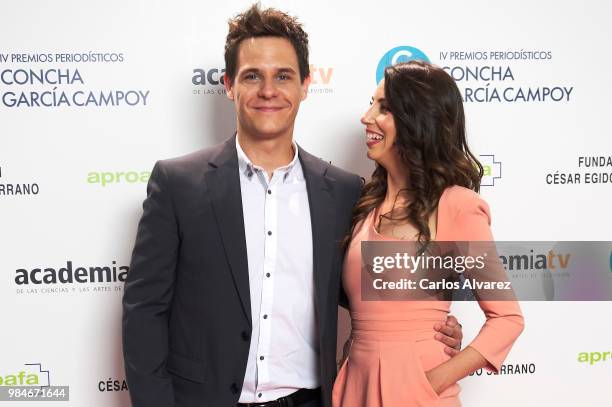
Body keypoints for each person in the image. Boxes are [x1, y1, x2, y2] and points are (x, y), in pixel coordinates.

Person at [122, 5, 464, 407]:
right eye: (253, 76)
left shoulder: (343, 191)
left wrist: (428, 327)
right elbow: (144, 313)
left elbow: (361, 290)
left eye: (283, 76)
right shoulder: (178, 184)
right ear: (230, 85)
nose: (269, 91)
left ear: (305, 84)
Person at [332, 61, 525, 406]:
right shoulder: (365, 205)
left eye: (384, 107)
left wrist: (430, 381)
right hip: (354, 391)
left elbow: (507, 318)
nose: (366, 116)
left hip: (417, 395)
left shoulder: (458, 206)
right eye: (371, 103)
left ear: (416, 121)